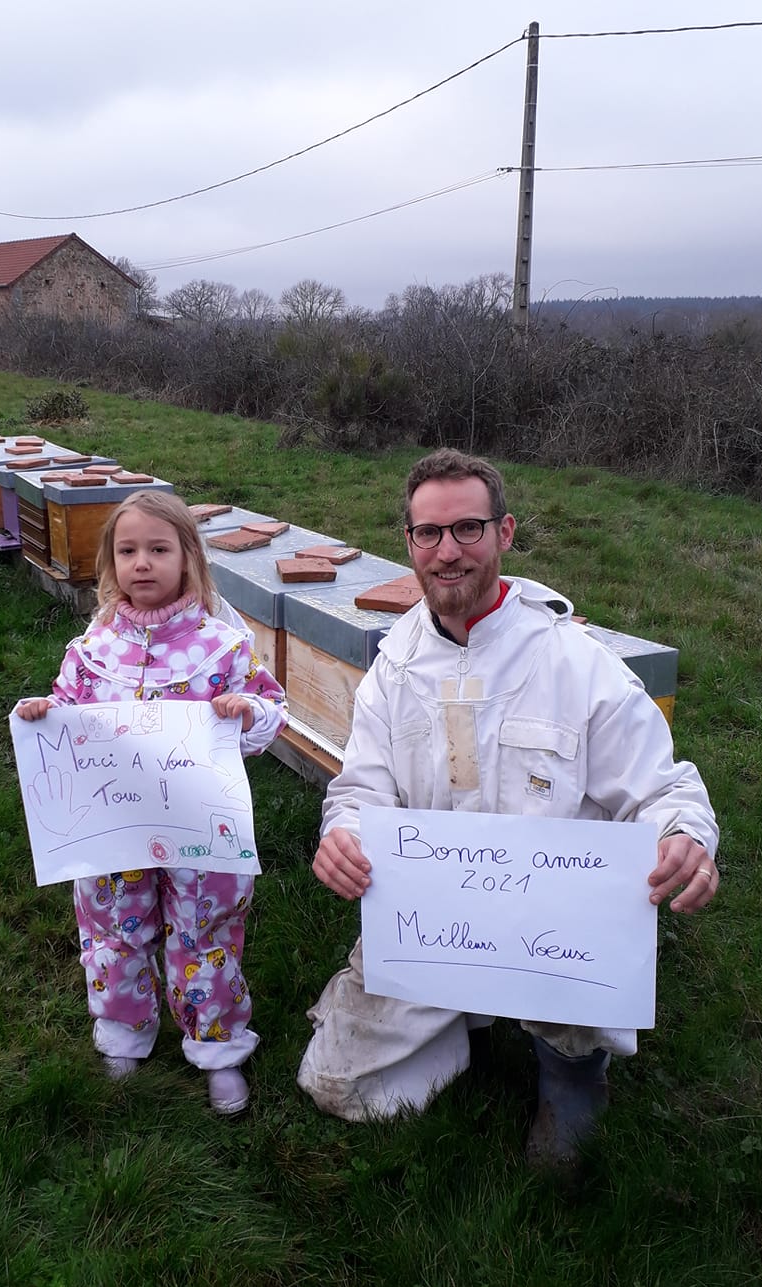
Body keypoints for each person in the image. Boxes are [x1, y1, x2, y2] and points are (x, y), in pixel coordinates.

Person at [296, 448, 719, 1165]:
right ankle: (461, 1023)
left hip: (556, 934)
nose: (447, 551)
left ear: (505, 533)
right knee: (335, 1084)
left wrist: (685, 836)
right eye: (429, 534)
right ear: (409, 543)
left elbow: (661, 785)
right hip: (430, 925)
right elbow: (361, 789)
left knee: (570, 1076)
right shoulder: (392, 670)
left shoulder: (575, 663)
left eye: (468, 529)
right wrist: (342, 833)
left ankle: (571, 1067)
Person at [18, 490, 286, 1115]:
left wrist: (246, 712)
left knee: (206, 930)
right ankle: (123, 1033)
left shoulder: (224, 644)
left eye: (159, 549)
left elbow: (269, 707)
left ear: (188, 558)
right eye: (128, 550)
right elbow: (68, 709)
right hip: (114, 828)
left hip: (200, 830)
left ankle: (216, 1046)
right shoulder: (93, 648)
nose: (143, 562)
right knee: (115, 925)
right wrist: (45, 713)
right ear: (111, 563)